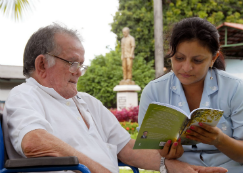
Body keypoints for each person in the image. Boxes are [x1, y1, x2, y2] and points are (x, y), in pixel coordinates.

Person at [3, 23, 228, 173]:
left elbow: (127, 147)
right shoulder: (26, 95)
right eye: (72, 63)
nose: (79, 71)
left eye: (81, 64)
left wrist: (177, 167)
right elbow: (34, 142)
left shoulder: (87, 101)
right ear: (42, 64)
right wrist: (97, 170)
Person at [138, 17, 243, 173]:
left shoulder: (235, 88)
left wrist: (220, 140)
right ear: (170, 54)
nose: (186, 68)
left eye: (197, 60)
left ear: (213, 59)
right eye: (179, 58)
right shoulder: (154, 91)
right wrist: (167, 154)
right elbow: (146, 150)